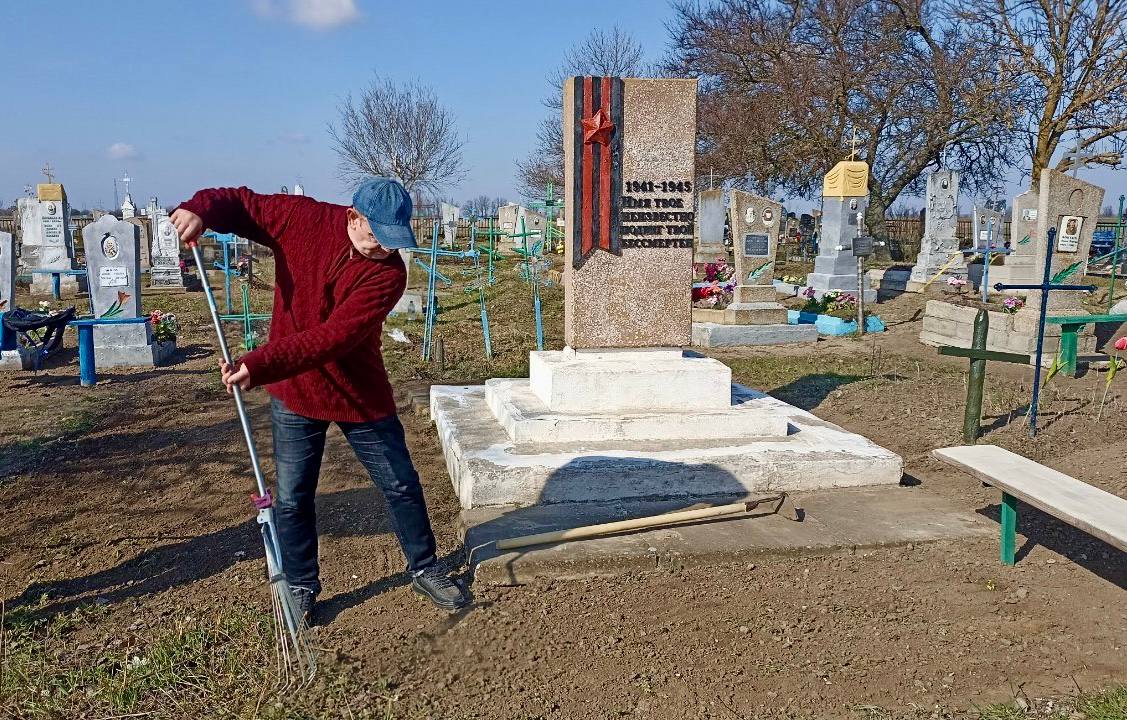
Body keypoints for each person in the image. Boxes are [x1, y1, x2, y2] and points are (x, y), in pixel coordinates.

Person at [170, 178, 471, 620]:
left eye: (394, 239)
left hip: (359, 394)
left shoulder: (389, 275)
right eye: (377, 236)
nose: (385, 248)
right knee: (293, 496)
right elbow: (242, 204)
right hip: (296, 391)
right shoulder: (301, 219)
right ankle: (300, 583)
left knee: (401, 483)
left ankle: (425, 567)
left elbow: (332, 339)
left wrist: (261, 364)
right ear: (353, 217)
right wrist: (200, 209)